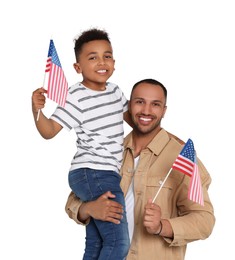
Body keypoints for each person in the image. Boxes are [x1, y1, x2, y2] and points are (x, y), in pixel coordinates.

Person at [65, 78, 215, 260]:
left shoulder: (182, 157)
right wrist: (89, 209)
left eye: (155, 104)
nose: (146, 110)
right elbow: (73, 201)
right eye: (139, 102)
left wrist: (162, 226)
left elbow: (204, 221)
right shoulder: (108, 149)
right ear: (129, 106)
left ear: (164, 111)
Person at [32, 28, 132, 259]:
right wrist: (37, 110)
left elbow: (134, 122)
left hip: (106, 173)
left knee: (96, 243)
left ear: (114, 62)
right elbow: (49, 132)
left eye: (107, 56)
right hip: (93, 172)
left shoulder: (116, 92)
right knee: (118, 243)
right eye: (93, 57)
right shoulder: (76, 96)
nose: (101, 62)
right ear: (78, 68)